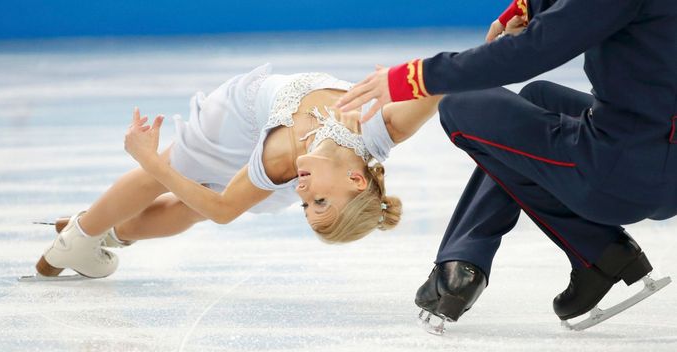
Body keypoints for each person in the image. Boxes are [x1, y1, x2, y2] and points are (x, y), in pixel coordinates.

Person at [337, 0, 677, 323]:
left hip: (619, 173)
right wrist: (525, 7)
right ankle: (470, 257)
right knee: (540, 99)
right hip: (664, 161)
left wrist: (414, 77)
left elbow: (534, 50)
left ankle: (595, 252)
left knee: (463, 105)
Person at [36, 64, 441, 279]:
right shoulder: (383, 128)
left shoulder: (286, 169)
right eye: (318, 201)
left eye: (306, 209)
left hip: (279, 159)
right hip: (239, 117)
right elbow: (444, 80)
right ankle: (83, 235)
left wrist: (149, 158)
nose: (304, 197)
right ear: (355, 180)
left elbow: (221, 210)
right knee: (181, 169)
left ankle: (107, 232)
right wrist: (499, 42)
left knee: (192, 202)